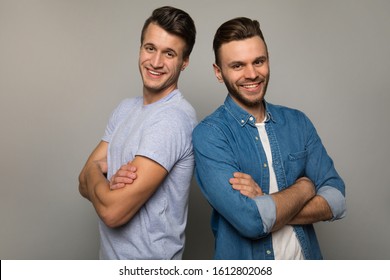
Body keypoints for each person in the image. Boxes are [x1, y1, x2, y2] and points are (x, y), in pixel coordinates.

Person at [192, 17, 346, 260]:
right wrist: (305, 187)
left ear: (268, 61)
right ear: (218, 73)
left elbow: (336, 199)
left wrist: (267, 204)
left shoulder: (298, 123)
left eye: (259, 61)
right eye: (237, 66)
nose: (252, 74)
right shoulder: (210, 134)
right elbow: (250, 220)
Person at [78, 6, 197, 260]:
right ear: (140, 48)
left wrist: (95, 170)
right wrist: (98, 178)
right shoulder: (125, 109)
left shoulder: (172, 119)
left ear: (184, 62)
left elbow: (112, 212)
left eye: (169, 53)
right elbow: (81, 184)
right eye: (150, 48)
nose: (155, 62)